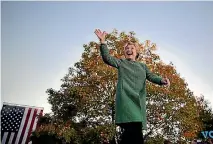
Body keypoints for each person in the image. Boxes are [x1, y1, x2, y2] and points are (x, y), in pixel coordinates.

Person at [94, 29, 170, 144]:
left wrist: (161, 80)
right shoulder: (121, 63)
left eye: (132, 48)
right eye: (126, 49)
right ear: (125, 52)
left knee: (134, 132)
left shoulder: (143, 66)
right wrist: (103, 42)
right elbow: (107, 58)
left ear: (137, 52)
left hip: (138, 101)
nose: (129, 50)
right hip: (126, 100)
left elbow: (151, 76)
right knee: (134, 128)